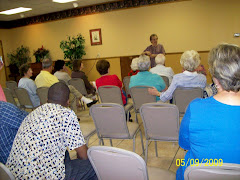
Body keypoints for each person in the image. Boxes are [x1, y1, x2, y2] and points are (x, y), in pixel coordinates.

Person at [6, 82, 97, 179]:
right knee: (94, 166)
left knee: (65, 154)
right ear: (68, 102)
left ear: (46, 100)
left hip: (14, 175)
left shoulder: (34, 113)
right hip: (43, 176)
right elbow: (83, 155)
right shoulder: (66, 114)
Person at [177, 44, 240, 180]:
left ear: (215, 77)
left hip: (198, 173)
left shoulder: (195, 108)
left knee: (182, 162)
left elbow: (184, 144)